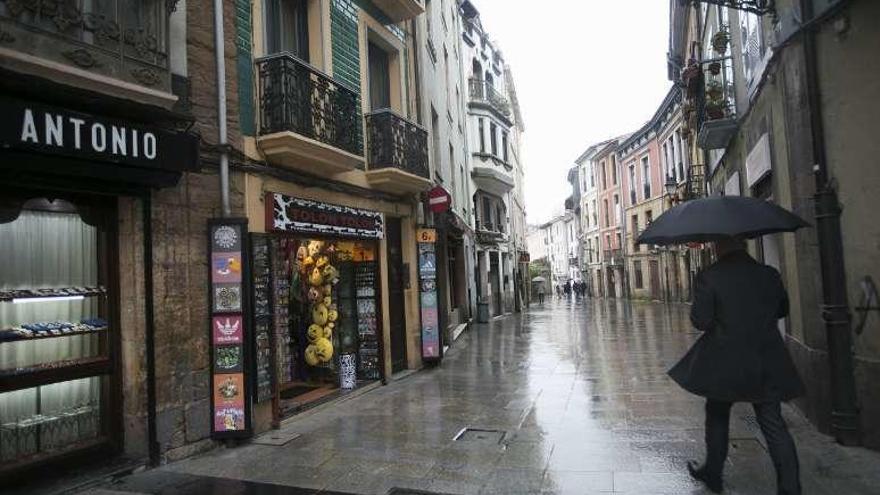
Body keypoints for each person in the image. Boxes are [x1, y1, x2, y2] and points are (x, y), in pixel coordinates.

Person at [669, 237, 804, 494]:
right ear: (743, 244)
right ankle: (790, 487)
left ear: (718, 247)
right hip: (765, 357)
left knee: (718, 415)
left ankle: (714, 474)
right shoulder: (769, 274)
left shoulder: (709, 276)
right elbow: (782, 309)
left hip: (725, 360)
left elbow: (701, 320)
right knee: (772, 422)